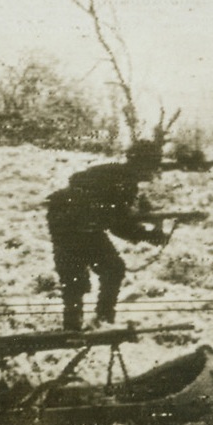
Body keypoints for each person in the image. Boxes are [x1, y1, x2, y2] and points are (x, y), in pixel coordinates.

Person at [45, 141, 169, 331]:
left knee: (102, 272)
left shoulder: (116, 174)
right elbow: (118, 225)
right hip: (72, 227)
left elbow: (114, 216)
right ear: (143, 164)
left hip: (72, 224)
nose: (152, 172)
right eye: (152, 166)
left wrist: (144, 226)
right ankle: (91, 324)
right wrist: (150, 235)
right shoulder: (123, 181)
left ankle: (89, 324)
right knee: (90, 275)